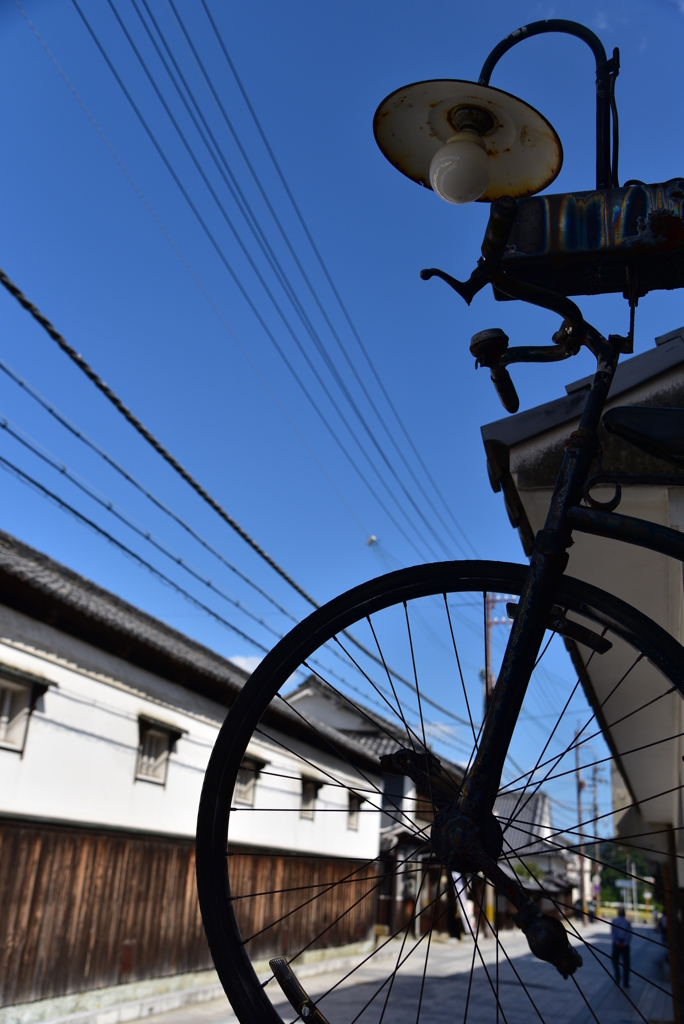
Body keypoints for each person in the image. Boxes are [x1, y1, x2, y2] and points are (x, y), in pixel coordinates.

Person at [611, 906, 632, 987]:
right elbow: (629, 934)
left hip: (616, 943)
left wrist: (617, 942)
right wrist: (625, 943)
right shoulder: (627, 922)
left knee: (615, 961)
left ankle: (617, 977)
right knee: (626, 964)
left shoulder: (614, 921)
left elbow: (613, 933)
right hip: (625, 944)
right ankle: (625, 982)